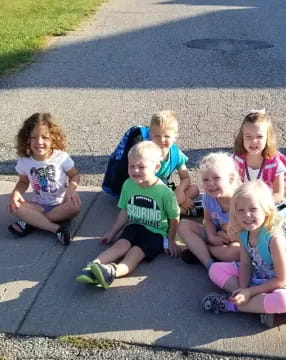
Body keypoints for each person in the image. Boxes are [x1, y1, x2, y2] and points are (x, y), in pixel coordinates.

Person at [76, 141, 180, 289]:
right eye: (131, 166)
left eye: (141, 166)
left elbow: (174, 217)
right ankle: (93, 266)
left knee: (135, 254)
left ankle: (111, 272)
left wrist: (171, 240)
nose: (135, 170)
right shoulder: (128, 185)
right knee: (120, 245)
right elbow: (125, 210)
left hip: (156, 233)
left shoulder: (164, 193)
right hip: (134, 226)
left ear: (156, 167)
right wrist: (112, 232)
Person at [201, 181, 286, 328]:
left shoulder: (274, 239)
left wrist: (249, 292)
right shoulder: (244, 234)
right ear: (234, 213)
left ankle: (230, 305)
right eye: (240, 210)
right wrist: (242, 290)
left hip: (283, 285)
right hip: (259, 275)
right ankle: (259, 306)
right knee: (215, 270)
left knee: (284, 301)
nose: (247, 215)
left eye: (254, 209)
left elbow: (281, 279)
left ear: (267, 210)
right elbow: (245, 264)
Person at [8, 113, 81, 245]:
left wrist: (71, 190)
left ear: (53, 138)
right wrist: (16, 193)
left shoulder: (61, 157)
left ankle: (31, 223)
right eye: (34, 137)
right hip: (39, 205)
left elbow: (74, 175)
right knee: (15, 207)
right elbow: (23, 182)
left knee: (75, 207)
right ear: (27, 139)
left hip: (60, 203)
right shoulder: (24, 161)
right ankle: (57, 228)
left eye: (45, 137)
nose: (39, 142)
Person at [178, 152, 241, 269]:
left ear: (231, 179)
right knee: (183, 225)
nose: (211, 184)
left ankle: (200, 250)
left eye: (216, 178)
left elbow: (251, 231)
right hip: (216, 235)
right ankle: (209, 263)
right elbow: (208, 220)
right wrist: (212, 236)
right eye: (205, 180)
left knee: (236, 253)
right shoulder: (208, 196)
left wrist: (229, 236)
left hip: (235, 239)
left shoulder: (241, 199)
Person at [149, 110, 201, 216]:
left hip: (166, 192)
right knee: (157, 203)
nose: (161, 140)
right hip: (150, 192)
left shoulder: (175, 153)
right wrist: (173, 197)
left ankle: (171, 209)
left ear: (175, 137)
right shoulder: (146, 153)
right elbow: (144, 182)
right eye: (157, 136)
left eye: (167, 136)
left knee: (194, 189)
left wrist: (180, 191)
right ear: (150, 134)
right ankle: (183, 211)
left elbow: (185, 177)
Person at [232, 109, 286, 202]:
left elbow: (279, 194)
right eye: (248, 137)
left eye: (259, 137)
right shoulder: (235, 160)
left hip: (265, 205)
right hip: (241, 206)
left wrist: (259, 203)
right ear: (241, 137)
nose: (254, 141)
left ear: (268, 138)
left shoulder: (275, 163)